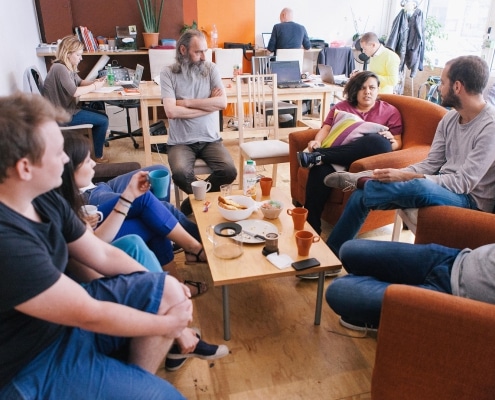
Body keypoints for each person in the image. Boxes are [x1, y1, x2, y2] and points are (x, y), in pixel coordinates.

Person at [0, 92, 193, 398]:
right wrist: (168, 323)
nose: (66, 160)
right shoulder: (7, 241)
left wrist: (159, 284)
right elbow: (88, 313)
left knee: (166, 289)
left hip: (64, 325)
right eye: (58, 153)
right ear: (25, 168)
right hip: (30, 362)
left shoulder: (43, 196)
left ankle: (132, 382)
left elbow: (100, 252)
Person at [324, 55, 495, 256]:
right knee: (361, 195)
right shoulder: (449, 119)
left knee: (420, 185)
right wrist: (397, 173)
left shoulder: (490, 126)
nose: (439, 88)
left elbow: (463, 183)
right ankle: (331, 256)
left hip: (470, 200)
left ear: (457, 87)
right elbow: (431, 163)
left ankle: (363, 179)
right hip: (445, 186)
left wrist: (406, 176)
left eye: (442, 82)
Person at [59, 131, 209, 298]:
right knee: (153, 212)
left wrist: (128, 195)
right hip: (91, 199)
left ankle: (188, 257)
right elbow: (88, 252)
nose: (94, 164)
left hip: (100, 186)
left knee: (159, 172)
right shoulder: (59, 208)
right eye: (87, 161)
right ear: (68, 167)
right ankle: (199, 247)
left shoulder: (66, 198)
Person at [297, 71, 403, 236]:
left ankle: (321, 155)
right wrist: (317, 142)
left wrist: (391, 141)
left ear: (377, 90)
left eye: (372, 88)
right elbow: (326, 129)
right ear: (355, 90)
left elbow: (397, 142)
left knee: (378, 141)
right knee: (319, 171)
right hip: (338, 157)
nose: (367, 92)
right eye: (362, 88)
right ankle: (311, 227)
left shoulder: (390, 111)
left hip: (366, 159)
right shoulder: (341, 108)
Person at [326, 238, 495, 331]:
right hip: (455, 258)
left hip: (452, 296)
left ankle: (389, 316)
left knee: (338, 291)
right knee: (349, 249)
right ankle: (394, 292)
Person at [160, 29, 237, 215]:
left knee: (229, 171)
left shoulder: (211, 69)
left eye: (205, 51)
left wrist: (185, 103)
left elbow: (222, 103)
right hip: (180, 142)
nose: (204, 56)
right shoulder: (168, 73)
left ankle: (190, 205)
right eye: (198, 52)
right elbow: (171, 111)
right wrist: (207, 105)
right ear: (183, 50)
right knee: (179, 174)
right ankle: (204, 201)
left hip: (210, 139)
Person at [42, 34, 109, 163]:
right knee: (103, 121)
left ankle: (94, 151)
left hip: (68, 109)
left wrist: (96, 81)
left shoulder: (66, 67)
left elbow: (80, 82)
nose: (81, 58)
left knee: (102, 116)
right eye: (78, 55)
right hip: (62, 115)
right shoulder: (59, 68)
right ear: (68, 54)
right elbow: (74, 92)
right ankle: (97, 156)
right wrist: (95, 86)